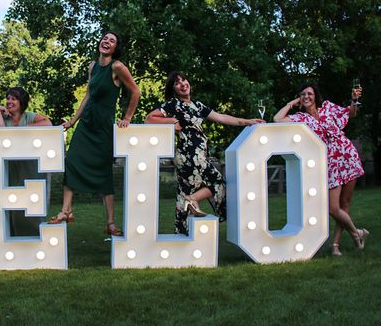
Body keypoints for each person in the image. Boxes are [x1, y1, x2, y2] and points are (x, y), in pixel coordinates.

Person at [145, 72, 263, 235]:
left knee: (192, 189)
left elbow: (222, 117)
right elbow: (149, 119)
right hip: (188, 155)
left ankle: (187, 220)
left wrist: (247, 121)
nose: (183, 84)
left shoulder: (198, 106)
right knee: (217, 183)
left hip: (199, 155)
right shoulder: (173, 105)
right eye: (177, 83)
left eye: (184, 80)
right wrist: (171, 121)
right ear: (174, 89)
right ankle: (191, 202)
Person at [48, 31, 140, 236]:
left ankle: (110, 224)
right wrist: (73, 121)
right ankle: (66, 211)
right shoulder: (92, 66)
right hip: (86, 125)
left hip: (103, 128)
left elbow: (136, 91)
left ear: (116, 48)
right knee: (71, 161)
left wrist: (128, 117)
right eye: (105, 38)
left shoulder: (117, 67)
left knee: (104, 171)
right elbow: (88, 96)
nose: (106, 42)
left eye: (112, 41)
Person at [274, 83, 368, 255]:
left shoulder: (328, 108)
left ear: (316, 96)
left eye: (309, 93)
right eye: (302, 94)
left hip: (347, 156)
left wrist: (355, 100)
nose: (306, 96)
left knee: (344, 204)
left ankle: (335, 246)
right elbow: (277, 119)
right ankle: (358, 233)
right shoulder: (301, 118)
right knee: (333, 208)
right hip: (330, 163)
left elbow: (351, 113)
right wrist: (291, 104)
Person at [0, 87, 52, 236]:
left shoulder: (29, 116)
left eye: (13, 98)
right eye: (8, 98)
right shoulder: (4, 118)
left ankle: (35, 234)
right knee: (12, 201)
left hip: (30, 166)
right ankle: (14, 234)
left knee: (33, 201)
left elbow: (48, 124)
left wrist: (22, 128)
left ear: (21, 102)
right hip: (11, 166)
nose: (9, 101)